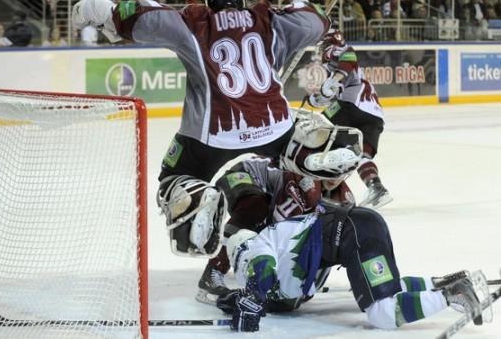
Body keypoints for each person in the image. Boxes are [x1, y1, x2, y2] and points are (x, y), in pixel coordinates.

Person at [70, 0, 332, 279]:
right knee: (298, 144)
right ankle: (312, 160)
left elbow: (148, 18)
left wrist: (106, 12)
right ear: (242, 2)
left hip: (213, 133)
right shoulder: (268, 19)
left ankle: (197, 196)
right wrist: (310, 11)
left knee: (173, 177)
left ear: (211, 5)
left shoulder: (195, 21)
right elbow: (316, 20)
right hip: (273, 126)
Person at [217, 198, 483, 332]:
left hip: (352, 235)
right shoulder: (274, 237)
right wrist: (247, 298)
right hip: (363, 223)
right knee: (388, 292)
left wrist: (251, 297)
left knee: (383, 313)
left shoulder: (251, 247)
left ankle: (452, 295)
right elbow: (282, 287)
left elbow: (262, 269)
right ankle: (440, 283)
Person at [196, 110, 363, 304]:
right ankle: (213, 271)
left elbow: (337, 243)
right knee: (255, 210)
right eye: (334, 171)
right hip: (244, 175)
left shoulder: (346, 201)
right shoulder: (302, 179)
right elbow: (279, 230)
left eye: (342, 173)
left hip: (272, 192)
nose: (336, 177)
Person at [308, 27, 392, 209]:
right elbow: (334, 89)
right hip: (375, 116)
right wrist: (319, 98)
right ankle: (376, 188)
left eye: (323, 44)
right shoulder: (338, 70)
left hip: (351, 107)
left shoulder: (339, 50)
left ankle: (324, 191)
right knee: (360, 155)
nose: (321, 49)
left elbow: (348, 59)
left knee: (316, 133)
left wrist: (333, 81)